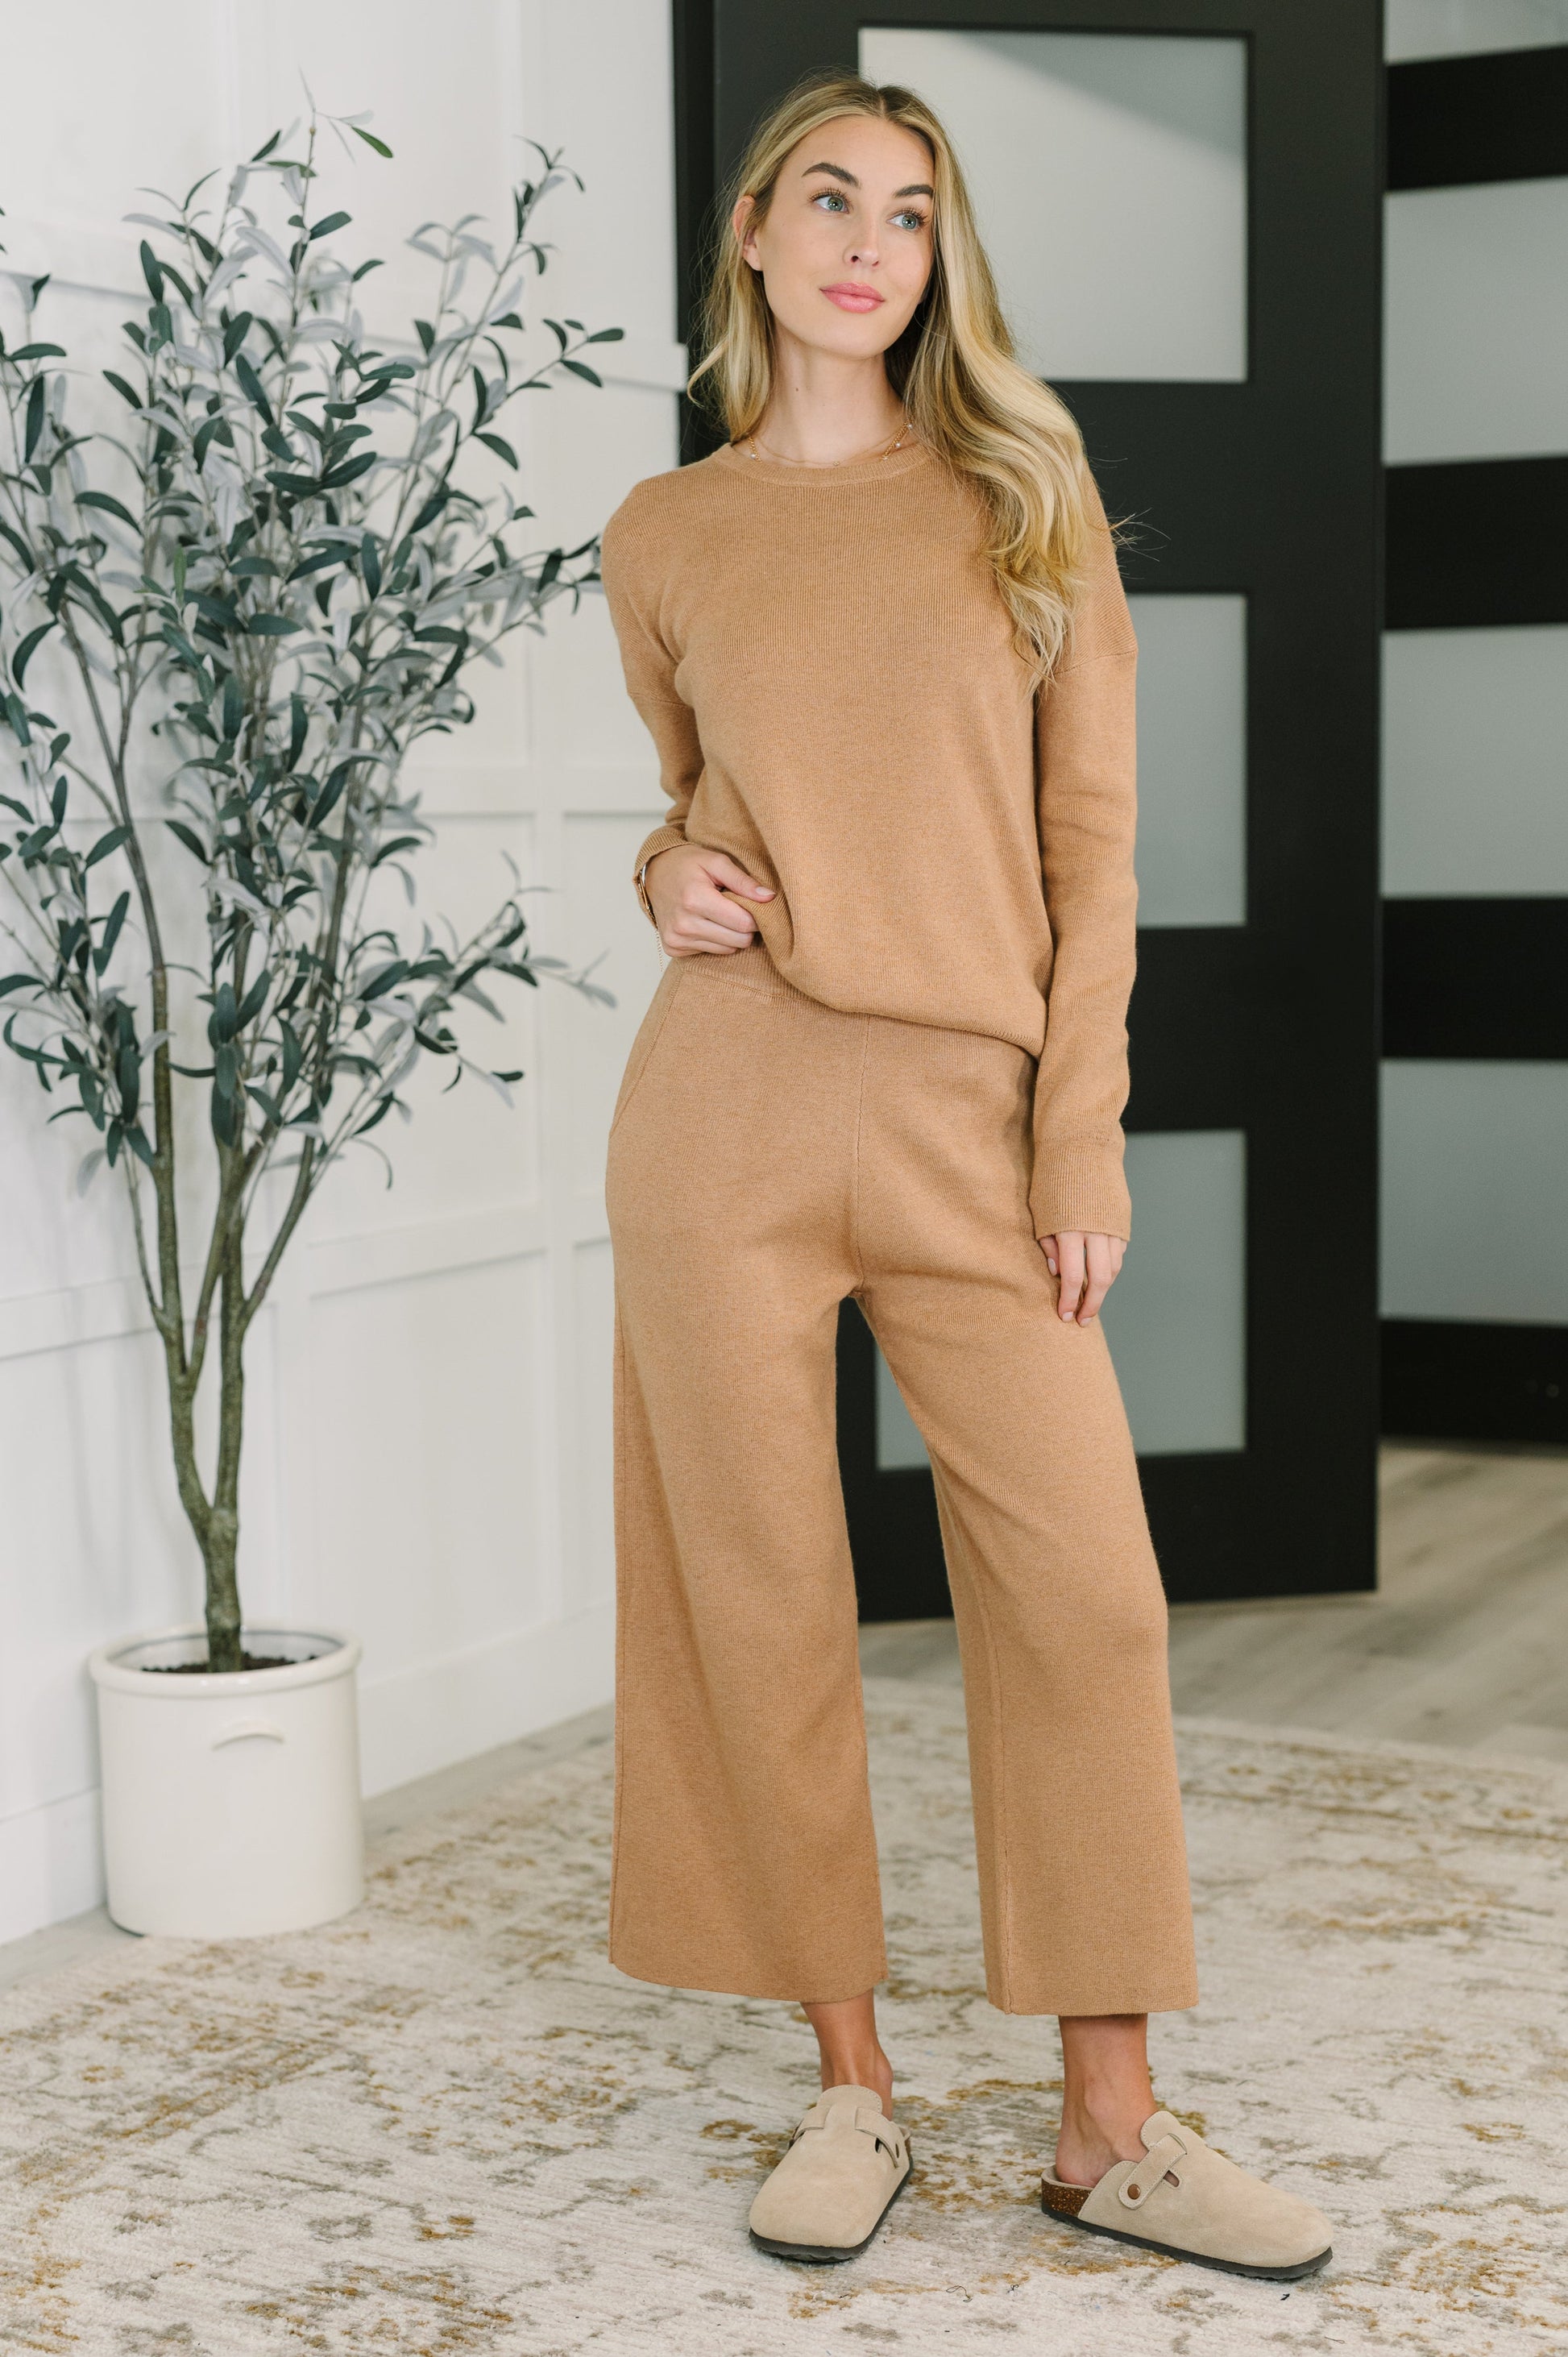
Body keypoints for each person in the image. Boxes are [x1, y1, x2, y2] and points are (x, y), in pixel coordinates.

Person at [598, 69, 1332, 2283]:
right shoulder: (663, 529)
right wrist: (664, 873)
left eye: (910, 214)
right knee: (756, 1593)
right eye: (827, 198)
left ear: (938, 262)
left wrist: (1073, 1123)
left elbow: (1088, 850)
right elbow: (693, 800)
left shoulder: (1019, 494)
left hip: (963, 1118)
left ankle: (1107, 2121)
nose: (866, 242)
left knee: (1083, 1592)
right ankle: (851, 2084)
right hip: (721, 1113)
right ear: (751, 233)